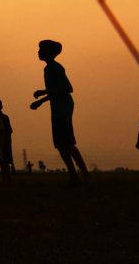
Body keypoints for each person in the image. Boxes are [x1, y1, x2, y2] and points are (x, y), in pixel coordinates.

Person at [30, 39, 89, 186]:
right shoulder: (49, 69)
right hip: (58, 109)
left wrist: (41, 97)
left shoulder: (55, 68)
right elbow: (55, 91)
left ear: (49, 52)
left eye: (41, 49)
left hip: (63, 109)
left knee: (67, 144)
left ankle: (84, 175)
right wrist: (42, 97)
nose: (38, 52)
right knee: (61, 145)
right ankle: (74, 175)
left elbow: (68, 88)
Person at [0, 98, 14, 176]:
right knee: (2, 162)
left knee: (4, 162)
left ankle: (7, 180)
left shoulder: (4, 117)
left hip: (5, 142)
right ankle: (6, 180)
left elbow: (9, 130)